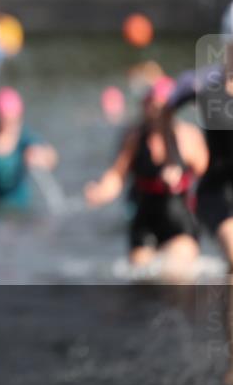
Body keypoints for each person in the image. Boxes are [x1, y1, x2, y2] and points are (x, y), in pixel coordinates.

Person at [163, 0, 233, 385]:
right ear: (224, 46)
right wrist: (173, 156)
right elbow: (161, 111)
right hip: (217, 189)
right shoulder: (202, 83)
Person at [84, 77, 208, 271]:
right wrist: (101, 192)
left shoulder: (188, 137)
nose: (154, 111)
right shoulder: (134, 138)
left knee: (174, 272)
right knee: (141, 276)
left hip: (179, 221)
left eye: (160, 105)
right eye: (150, 104)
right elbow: (117, 175)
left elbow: (208, 177)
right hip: (144, 219)